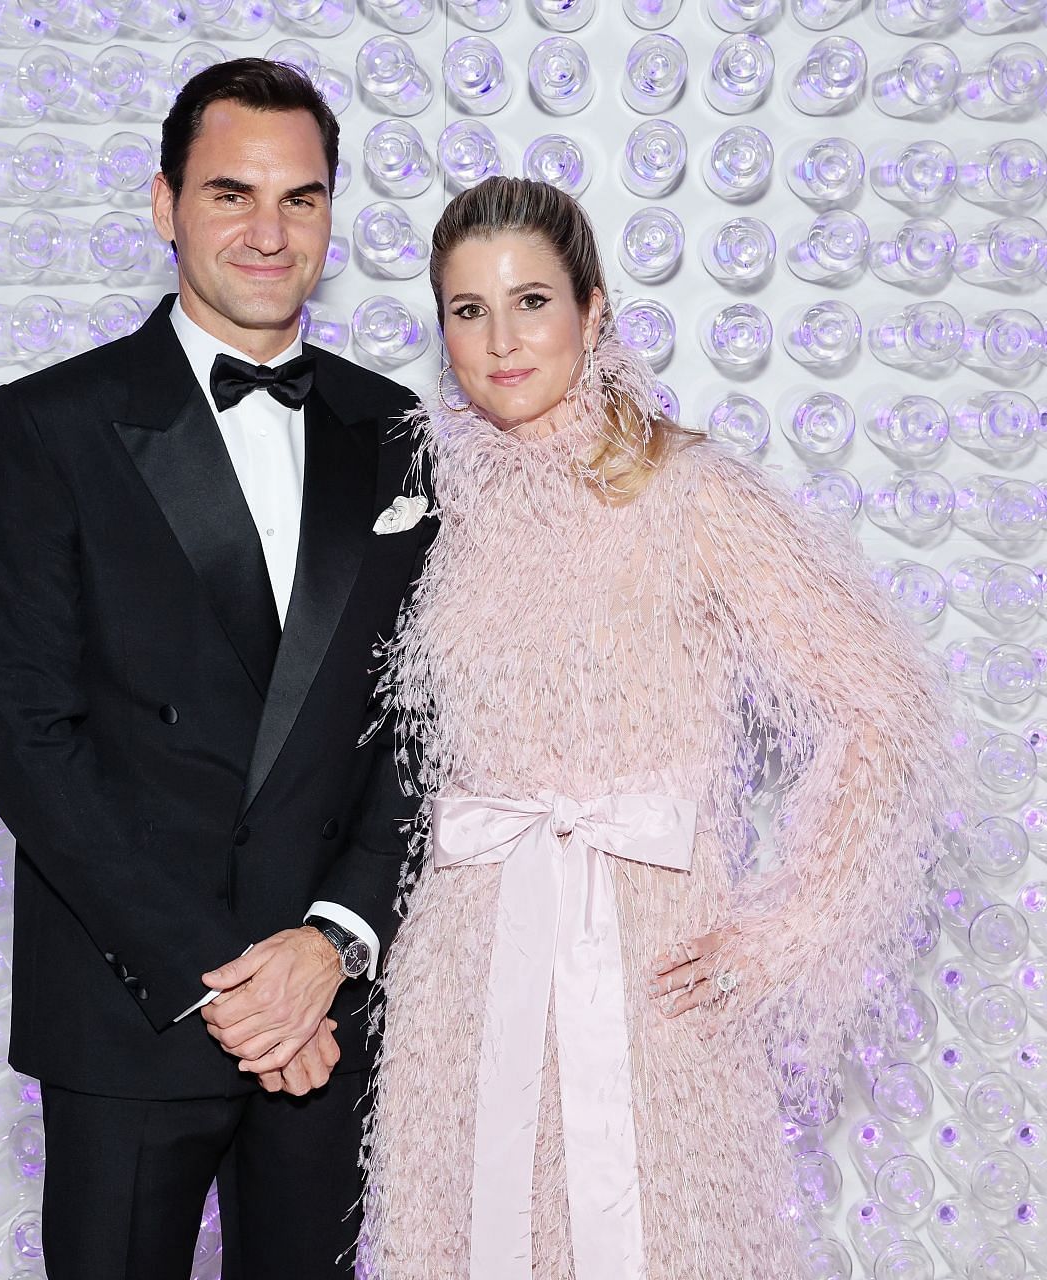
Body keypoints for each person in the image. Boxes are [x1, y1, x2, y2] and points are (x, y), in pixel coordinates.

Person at [357, 176, 970, 1277]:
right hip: (463, 976)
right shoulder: (423, 502)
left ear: (595, 313)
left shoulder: (696, 495)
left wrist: (784, 932)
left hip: (648, 973)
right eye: (467, 309)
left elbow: (891, 705)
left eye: (531, 301)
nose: (500, 340)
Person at [0, 58, 432, 1280]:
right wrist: (221, 983)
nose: (269, 233)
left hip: (325, 1020)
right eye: (231, 194)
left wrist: (328, 944)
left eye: (302, 197)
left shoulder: (402, 437)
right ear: (165, 205)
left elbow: (423, 730)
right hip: (135, 1010)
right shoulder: (48, 425)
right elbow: (28, 739)